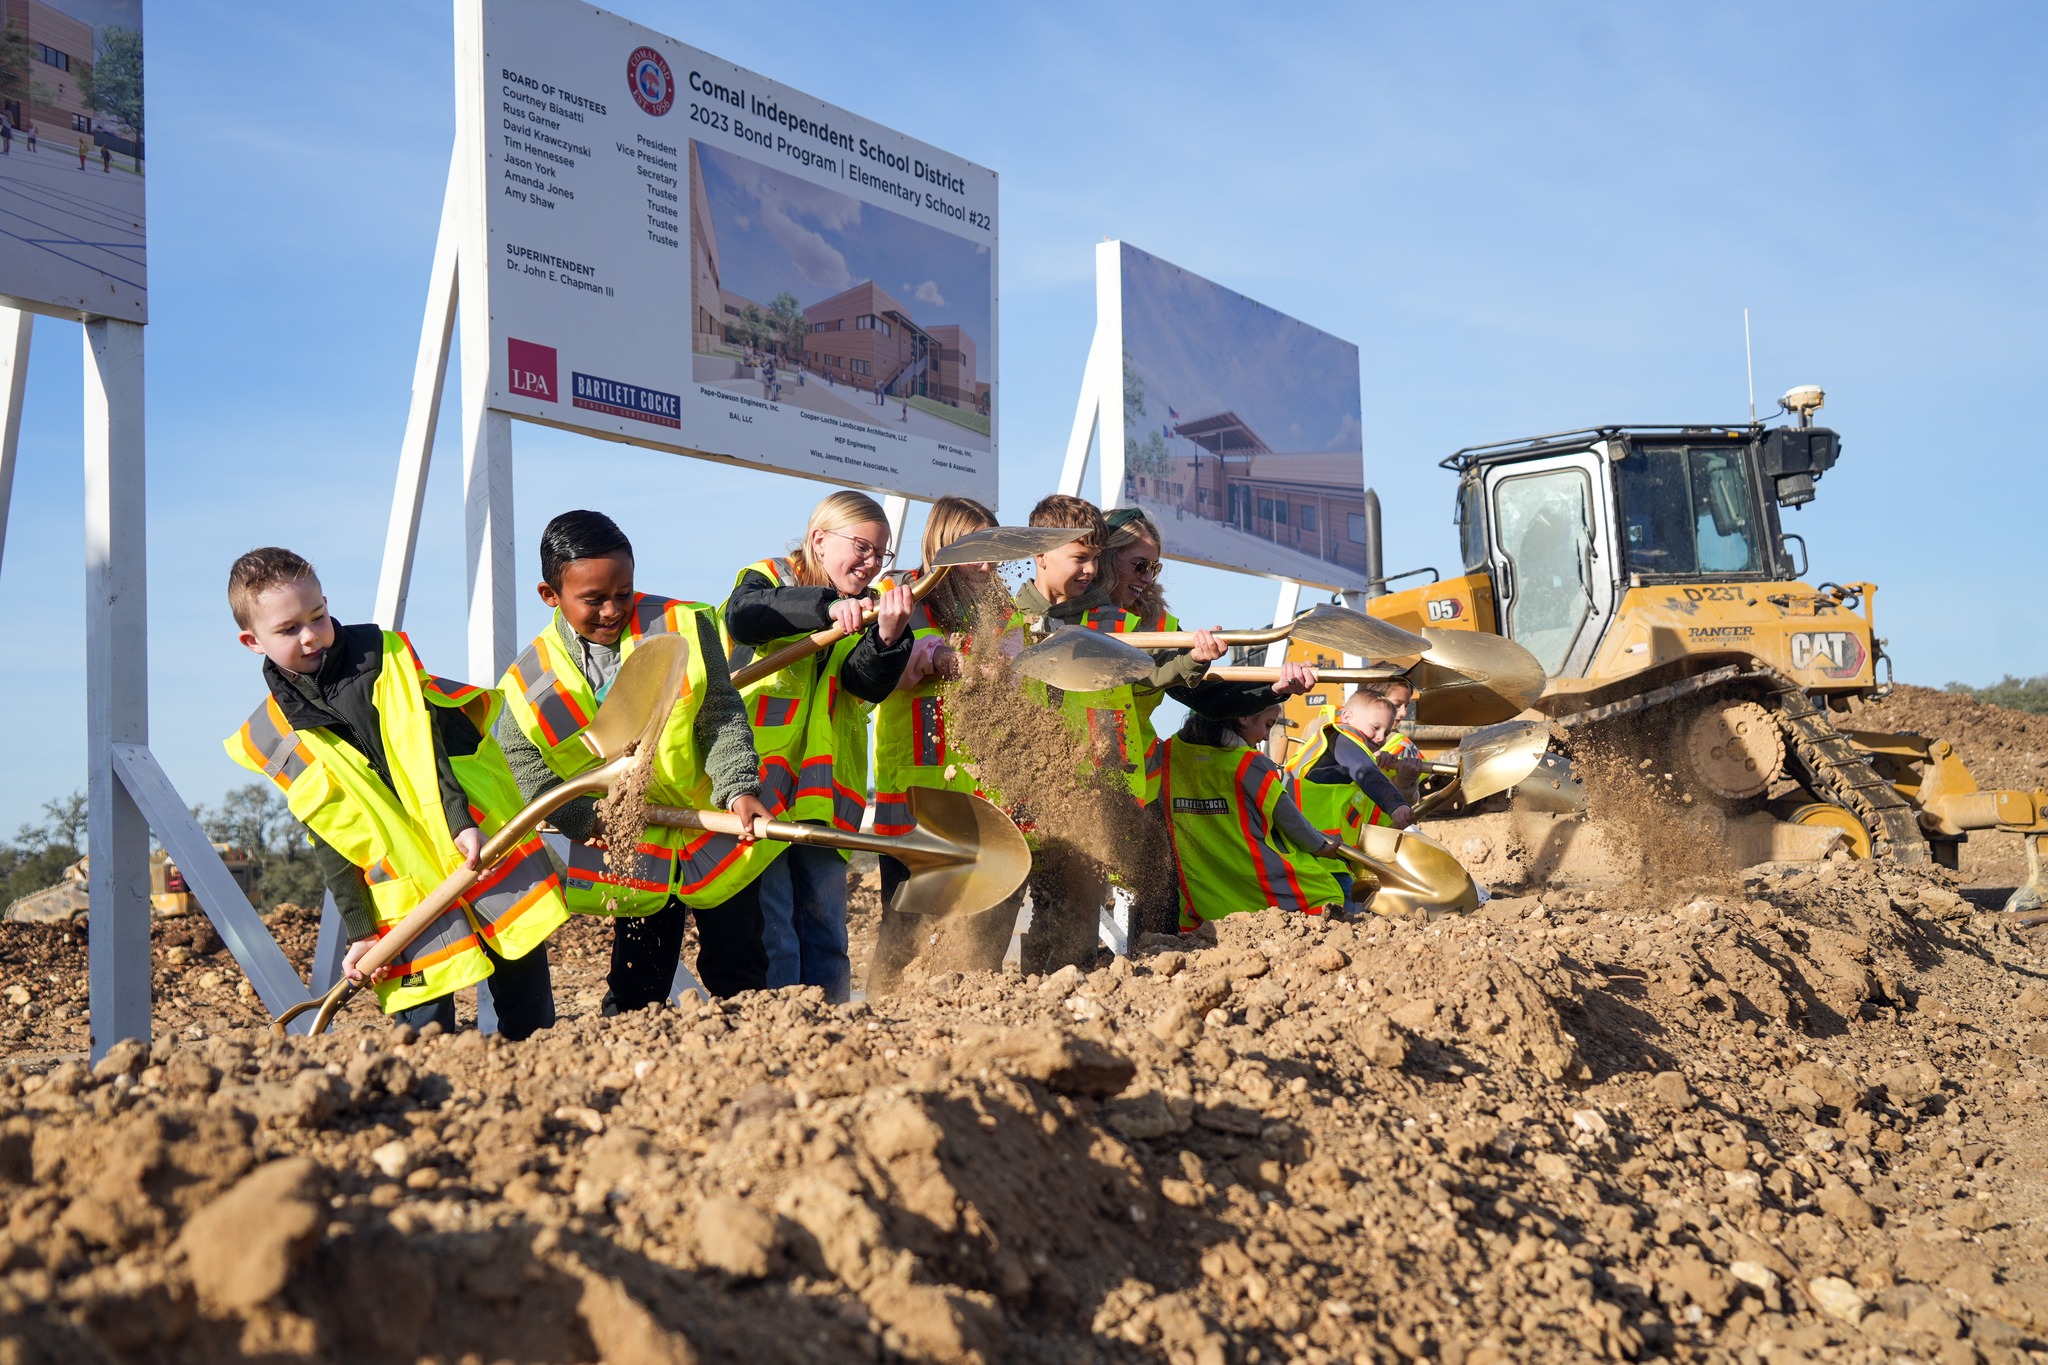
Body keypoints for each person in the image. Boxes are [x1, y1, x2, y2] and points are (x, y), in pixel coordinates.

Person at [222, 548, 568, 1037]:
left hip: (475, 845)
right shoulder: (275, 734)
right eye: (288, 629)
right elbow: (331, 837)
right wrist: (362, 931)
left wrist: (460, 821)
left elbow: (434, 747)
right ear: (251, 641)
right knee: (422, 1028)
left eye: (318, 616)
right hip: (404, 895)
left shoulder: (382, 658)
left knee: (526, 998)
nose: (311, 634)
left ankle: (540, 1075)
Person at [496, 511, 776, 1009]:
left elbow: (719, 712)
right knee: (637, 985)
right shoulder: (526, 681)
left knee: (739, 970)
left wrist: (739, 787)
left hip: (712, 827)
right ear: (550, 596)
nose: (612, 610)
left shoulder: (684, 625)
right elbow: (522, 762)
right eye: (594, 599)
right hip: (632, 844)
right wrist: (579, 818)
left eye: (623, 593)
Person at [723, 490, 914, 1001]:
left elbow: (863, 683)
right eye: (862, 547)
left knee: (827, 930)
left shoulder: (870, 610)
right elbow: (746, 617)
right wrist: (829, 608)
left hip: (827, 798)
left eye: (882, 554)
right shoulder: (766, 578)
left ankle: (835, 1030)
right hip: (759, 791)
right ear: (819, 540)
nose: (872, 563)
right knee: (777, 929)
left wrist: (889, 637)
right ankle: (786, 1029)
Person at [867, 495, 1021, 991]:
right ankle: (884, 1010)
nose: (986, 562)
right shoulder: (898, 592)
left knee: (982, 924)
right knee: (906, 921)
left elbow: (1016, 681)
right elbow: (884, 670)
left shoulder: (1004, 610)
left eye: (992, 549)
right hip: (915, 790)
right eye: (974, 547)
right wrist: (938, 661)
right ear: (943, 543)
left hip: (983, 795)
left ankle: (971, 1003)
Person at [1162, 677, 1348, 930]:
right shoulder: (1249, 762)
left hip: (1203, 898)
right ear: (1244, 717)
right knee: (1327, 895)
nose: (1265, 736)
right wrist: (1319, 847)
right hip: (1261, 884)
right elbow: (1288, 817)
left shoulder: (1170, 752)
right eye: (1268, 724)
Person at [1288, 691, 1418, 910]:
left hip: (1318, 848)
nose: (1380, 737)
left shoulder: (1347, 752)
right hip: (1316, 845)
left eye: (1386, 732)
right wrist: (1396, 804)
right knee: (1350, 908)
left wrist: (1402, 780)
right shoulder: (1341, 736)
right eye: (1375, 728)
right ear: (1347, 718)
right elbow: (1365, 772)